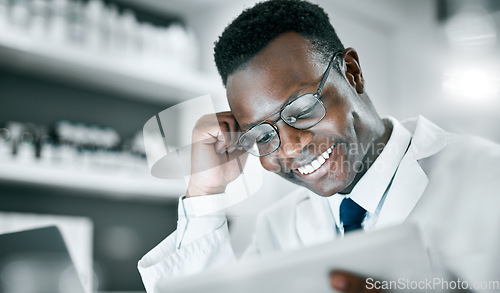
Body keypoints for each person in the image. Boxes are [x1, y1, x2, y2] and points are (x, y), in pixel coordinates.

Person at [138, 1, 500, 292]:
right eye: (262, 135)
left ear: (353, 73)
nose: (291, 147)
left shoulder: (488, 178)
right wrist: (205, 193)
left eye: (302, 109)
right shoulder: (278, 230)